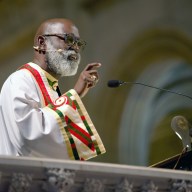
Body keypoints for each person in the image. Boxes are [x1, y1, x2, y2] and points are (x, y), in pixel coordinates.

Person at [0, 18, 106, 160]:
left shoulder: (52, 88)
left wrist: (73, 98)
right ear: (42, 43)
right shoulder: (19, 80)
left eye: (78, 43)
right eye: (68, 40)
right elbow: (28, 137)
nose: (75, 47)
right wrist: (74, 95)